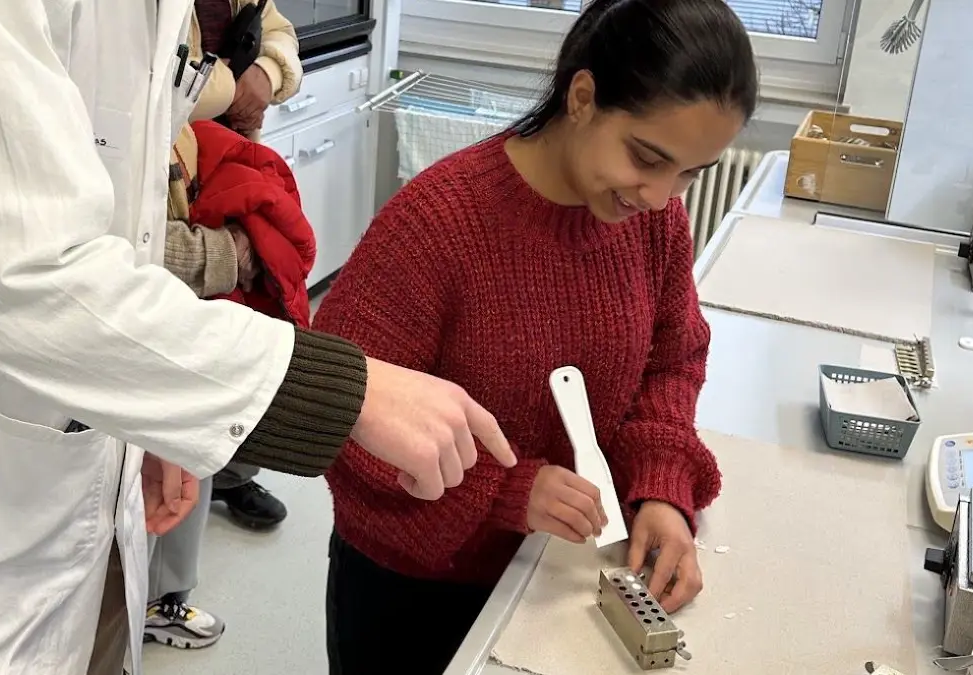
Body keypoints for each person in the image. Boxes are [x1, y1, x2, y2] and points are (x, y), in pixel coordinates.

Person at [0, 2, 516, 675]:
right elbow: (23, 274)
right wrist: (347, 392)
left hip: (71, 499)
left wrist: (143, 410)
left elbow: (122, 219)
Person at [313, 0, 759, 672]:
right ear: (582, 96)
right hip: (414, 591)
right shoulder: (437, 224)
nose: (664, 195)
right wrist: (502, 488)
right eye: (648, 157)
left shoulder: (651, 223)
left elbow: (672, 359)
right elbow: (344, 416)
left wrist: (663, 487)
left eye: (690, 173)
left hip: (556, 572)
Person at [144, 0, 302, 651]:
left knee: (191, 416)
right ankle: (156, 592)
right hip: (170, 226)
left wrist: (264, 71)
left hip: (194, 192)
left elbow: (280, 34)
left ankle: (168, 588)